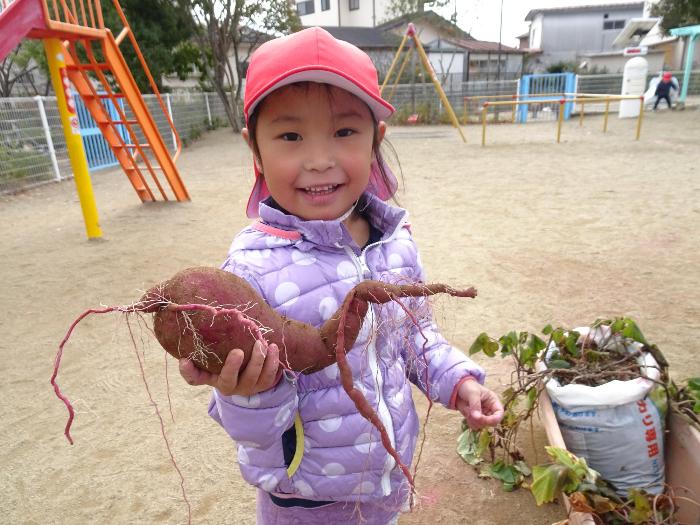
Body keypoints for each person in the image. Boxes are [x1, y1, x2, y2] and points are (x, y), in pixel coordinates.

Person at [179, 27, 504, 525]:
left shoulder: (394, 241)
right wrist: (245, 391)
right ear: (256, 150)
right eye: (290, 136)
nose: (319, 160)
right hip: (304, 500)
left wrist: (458, 382)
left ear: (377, 138)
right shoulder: (249, 271)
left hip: (385, 482)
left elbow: (416, 340)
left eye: (345, 132)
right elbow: (249, 429)